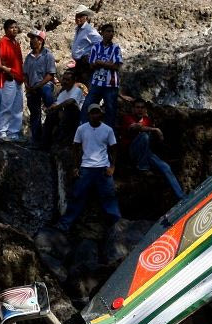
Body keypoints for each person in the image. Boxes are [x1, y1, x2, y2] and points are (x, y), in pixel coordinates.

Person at [56, 103, 120, 232]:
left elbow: (114, 149)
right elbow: (75, 147)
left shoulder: (108, 130)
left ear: (100, 114)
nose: (95, 115)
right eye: (93, 113)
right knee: (77, 196)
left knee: (109, 196)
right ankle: (65, 224)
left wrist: (112, 166)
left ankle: (118, 225)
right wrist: (75, 167)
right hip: (86, 168)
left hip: (103, 168)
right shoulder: (82, 129)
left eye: (97, 112)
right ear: (89, 114)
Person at [121, 96, 185, 200]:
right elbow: (135, 127)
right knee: (144, 136)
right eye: (137, 107)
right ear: (133, 109)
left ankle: (181, 196)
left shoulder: (147, 120)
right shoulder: (128, 118)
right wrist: (155, 129)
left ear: (145, 109)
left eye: (142, 107)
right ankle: (143, 167)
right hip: (133, 152)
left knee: (166, 167)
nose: (140, 109)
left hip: (147, 153)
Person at [84, 24, 123, 127]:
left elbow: (116, 66)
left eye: (112, 31)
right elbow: (91, 65)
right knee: (87, 107)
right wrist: (108, 64)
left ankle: (111, 137)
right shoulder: (95, 47)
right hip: (96, 82)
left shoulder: (116, 48)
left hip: (111, 85)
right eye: (108, 31)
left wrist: (100, 63)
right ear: (102, 33)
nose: (111, 34)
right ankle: (83, 132)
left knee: (111, 111)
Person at [23, 29, 57, 146]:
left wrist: (39, 85)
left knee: (51, 109)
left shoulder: (48, 56)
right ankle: (36, 139)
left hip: (45, 86)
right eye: (31, 38)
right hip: (32, 88)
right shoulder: (29, 57)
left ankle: (50, 135)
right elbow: (25, 74)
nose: (31, 41)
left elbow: (50, 75)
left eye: (33, 38)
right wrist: (27, 85)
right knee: (34, 113)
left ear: (40, 41)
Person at [0, 19, 25, 141]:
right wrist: (7, 72)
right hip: (9, 78)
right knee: (6, 105)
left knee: (17, 107)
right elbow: (1, 60)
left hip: (18, 78)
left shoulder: (16, 43)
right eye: (12, 27)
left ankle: (14, 133)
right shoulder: (3, 42)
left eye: (16, 27)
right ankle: (1, 131)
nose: (14, 29)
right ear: (6, 29)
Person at [42, 69, 84, 147]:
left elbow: (70, 102)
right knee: (51, 114)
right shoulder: (63, 93)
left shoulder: (77, 90)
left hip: (77, 118)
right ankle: (45, 143)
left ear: (73, 81)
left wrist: (58, 108)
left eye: (68, 80)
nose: (65, 82)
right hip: (65, 115)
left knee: (70, 107)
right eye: (64, 79)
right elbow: (56, 103)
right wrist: (50, 108)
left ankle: (62, 141)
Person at [71, 5, 101, 84]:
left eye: (80, 16)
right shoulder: (79, 29)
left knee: (85, 84)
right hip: (79, 63)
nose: (78, 18)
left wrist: (91, 56)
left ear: (86, 17)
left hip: (85, 63)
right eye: (77, 16)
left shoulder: (89, 30)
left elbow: (99, 42)